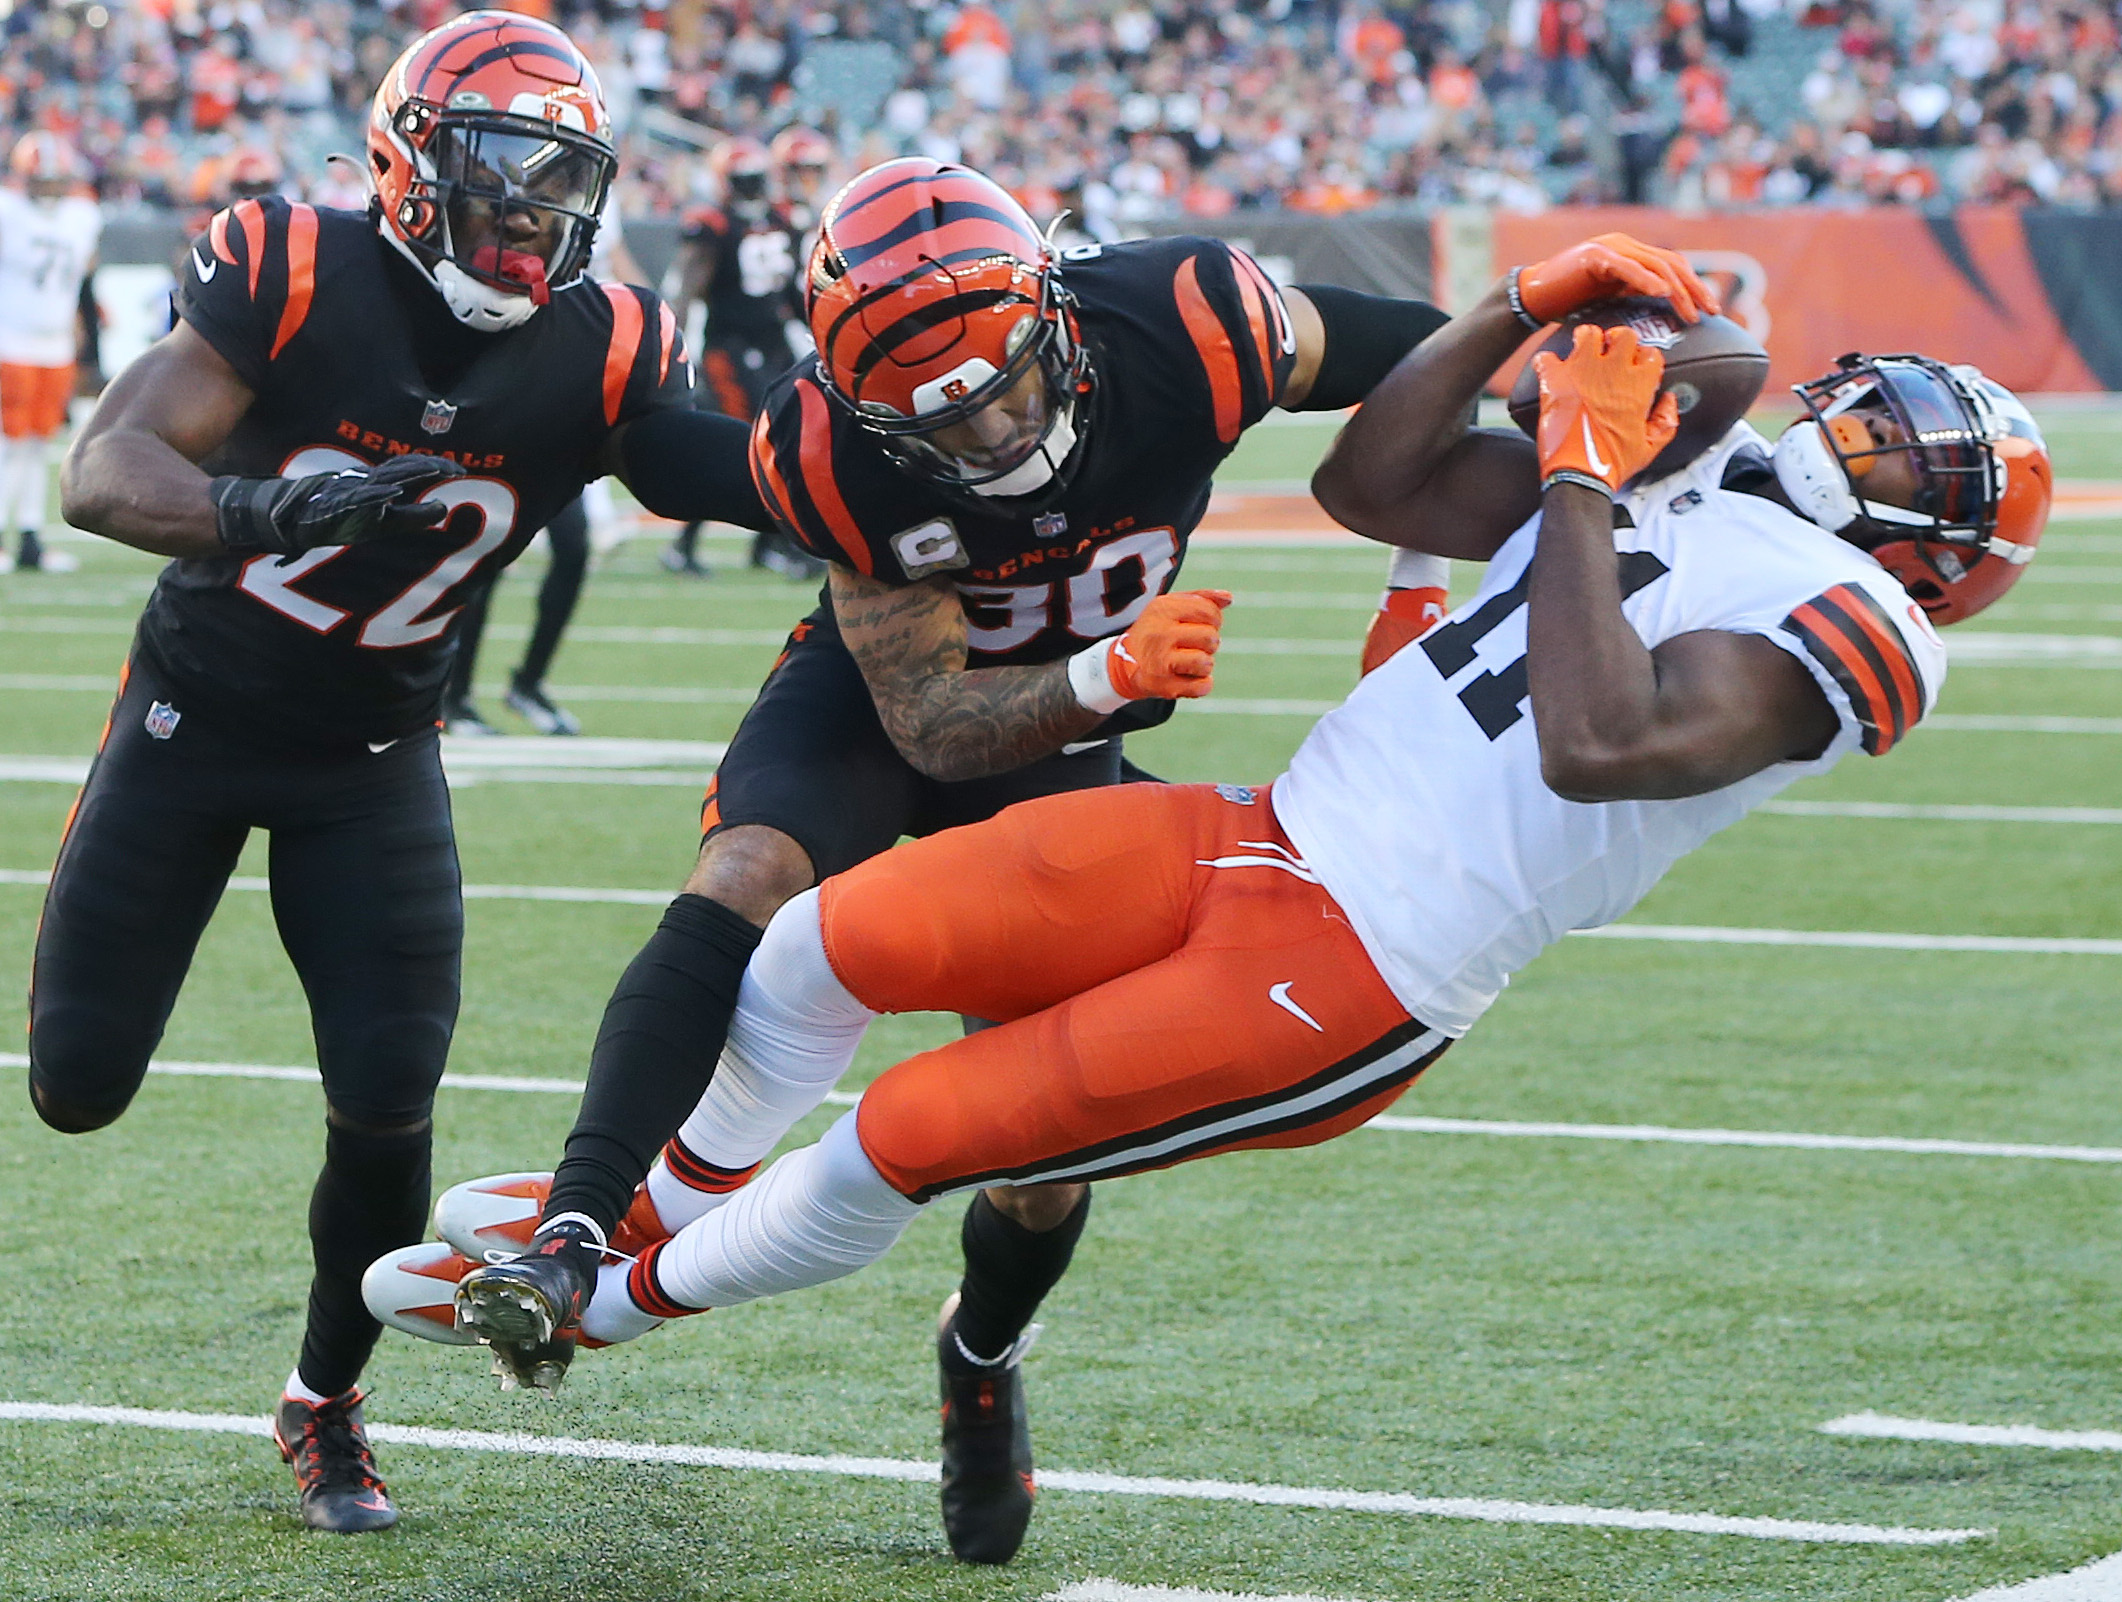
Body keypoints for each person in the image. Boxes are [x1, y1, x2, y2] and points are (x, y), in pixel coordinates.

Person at [371, 238, 2052, 1562]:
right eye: (1887, 397)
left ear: (1941, 553)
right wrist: (1513, 313)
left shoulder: (1868, 636)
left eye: (1916, 438)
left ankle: (597, 1304)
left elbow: (1607, 740)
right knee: (827, 939)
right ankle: (623, 1207)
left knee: (909, 1131)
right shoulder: (1692, 481)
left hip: (1355, 970)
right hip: (1252, 828)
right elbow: (1372, 487)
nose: (1868, 421)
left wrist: (1583, 477)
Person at [414, 155, 1456, 1565]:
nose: (987, 432)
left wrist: (1538, 386)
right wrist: (1102, 676)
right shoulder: (825, 448)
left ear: (1055, 314)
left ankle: (981, 1353)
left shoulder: (1195, 319)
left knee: (1032, 1146)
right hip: (901, 700)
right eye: (934, 421)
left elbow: (1433, 364)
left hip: (1067, 731)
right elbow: (934, 727)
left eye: (1010, 384)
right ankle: (578, 1227)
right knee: (745, 874)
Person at [28, 11, 769, 1534]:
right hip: (190, 720)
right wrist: (268, 511)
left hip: (375, 760)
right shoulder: (295, 271)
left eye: (558, 183)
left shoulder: (604, 344)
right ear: (410, 164)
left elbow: (730, 470)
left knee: (386, 1103)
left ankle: (326, 1402)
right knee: (75, 1086)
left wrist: (873, 476)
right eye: (501, 175)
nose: (528, 214)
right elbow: (105, 470)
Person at [662, 135, 818, 579]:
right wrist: (674, 341)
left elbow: (788, 290)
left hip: (771, 344)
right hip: (730, 347)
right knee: (747, 443)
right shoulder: (719, 224)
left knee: (784, 438)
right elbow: (689, 286)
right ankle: (690, 545)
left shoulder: (777, 219)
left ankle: (767, 544)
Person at [0, 132, 102, 574]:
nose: (49, 188)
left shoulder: (83, 216)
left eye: (55, 180)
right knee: (8, 446)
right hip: (11, 340)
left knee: (40, 445)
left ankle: (28, 540)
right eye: (41, 181)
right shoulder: (7, 211)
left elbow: (82, 280)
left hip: (55, 346)